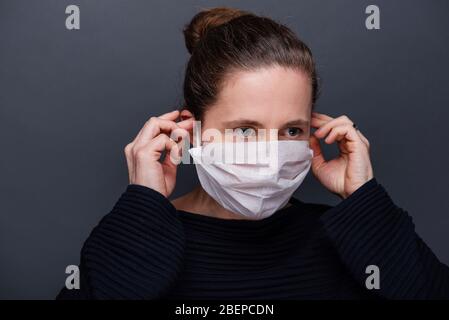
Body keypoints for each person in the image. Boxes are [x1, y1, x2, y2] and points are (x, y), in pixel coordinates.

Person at [57, 7, 449, 300]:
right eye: (245, 130)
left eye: (292, 130)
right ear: (193, 132)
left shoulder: (349, 238)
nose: (270, 153)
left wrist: (363, 198)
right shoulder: (138, 236)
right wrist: (143, 208)